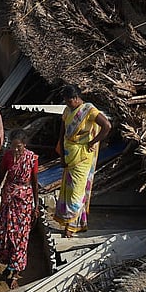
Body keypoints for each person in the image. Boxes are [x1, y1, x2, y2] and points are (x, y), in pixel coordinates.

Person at [54, 84, 112, 238]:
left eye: (68, 100)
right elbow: (62, 132)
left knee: (76, 192)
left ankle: (72, 227)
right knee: (67, 190)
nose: (67, 103)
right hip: (69, 154)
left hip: (83, 156)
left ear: (75, 98)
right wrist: (61, 156)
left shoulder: (89, 110)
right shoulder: (67, 110)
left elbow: (107, 125)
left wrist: (92, 142)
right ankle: (68, 221)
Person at [0, 129, 39, 289]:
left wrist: (36, 205)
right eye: (14, 146)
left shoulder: (32, 159)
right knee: (6, 233)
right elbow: (1, 175)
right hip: (8, 199)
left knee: (20, 237)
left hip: (24, 201)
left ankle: (16, 273)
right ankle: (9, 265)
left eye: (20, 147)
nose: (16, 150)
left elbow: (35, 183)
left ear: (25, 145)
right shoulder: (8, 156)